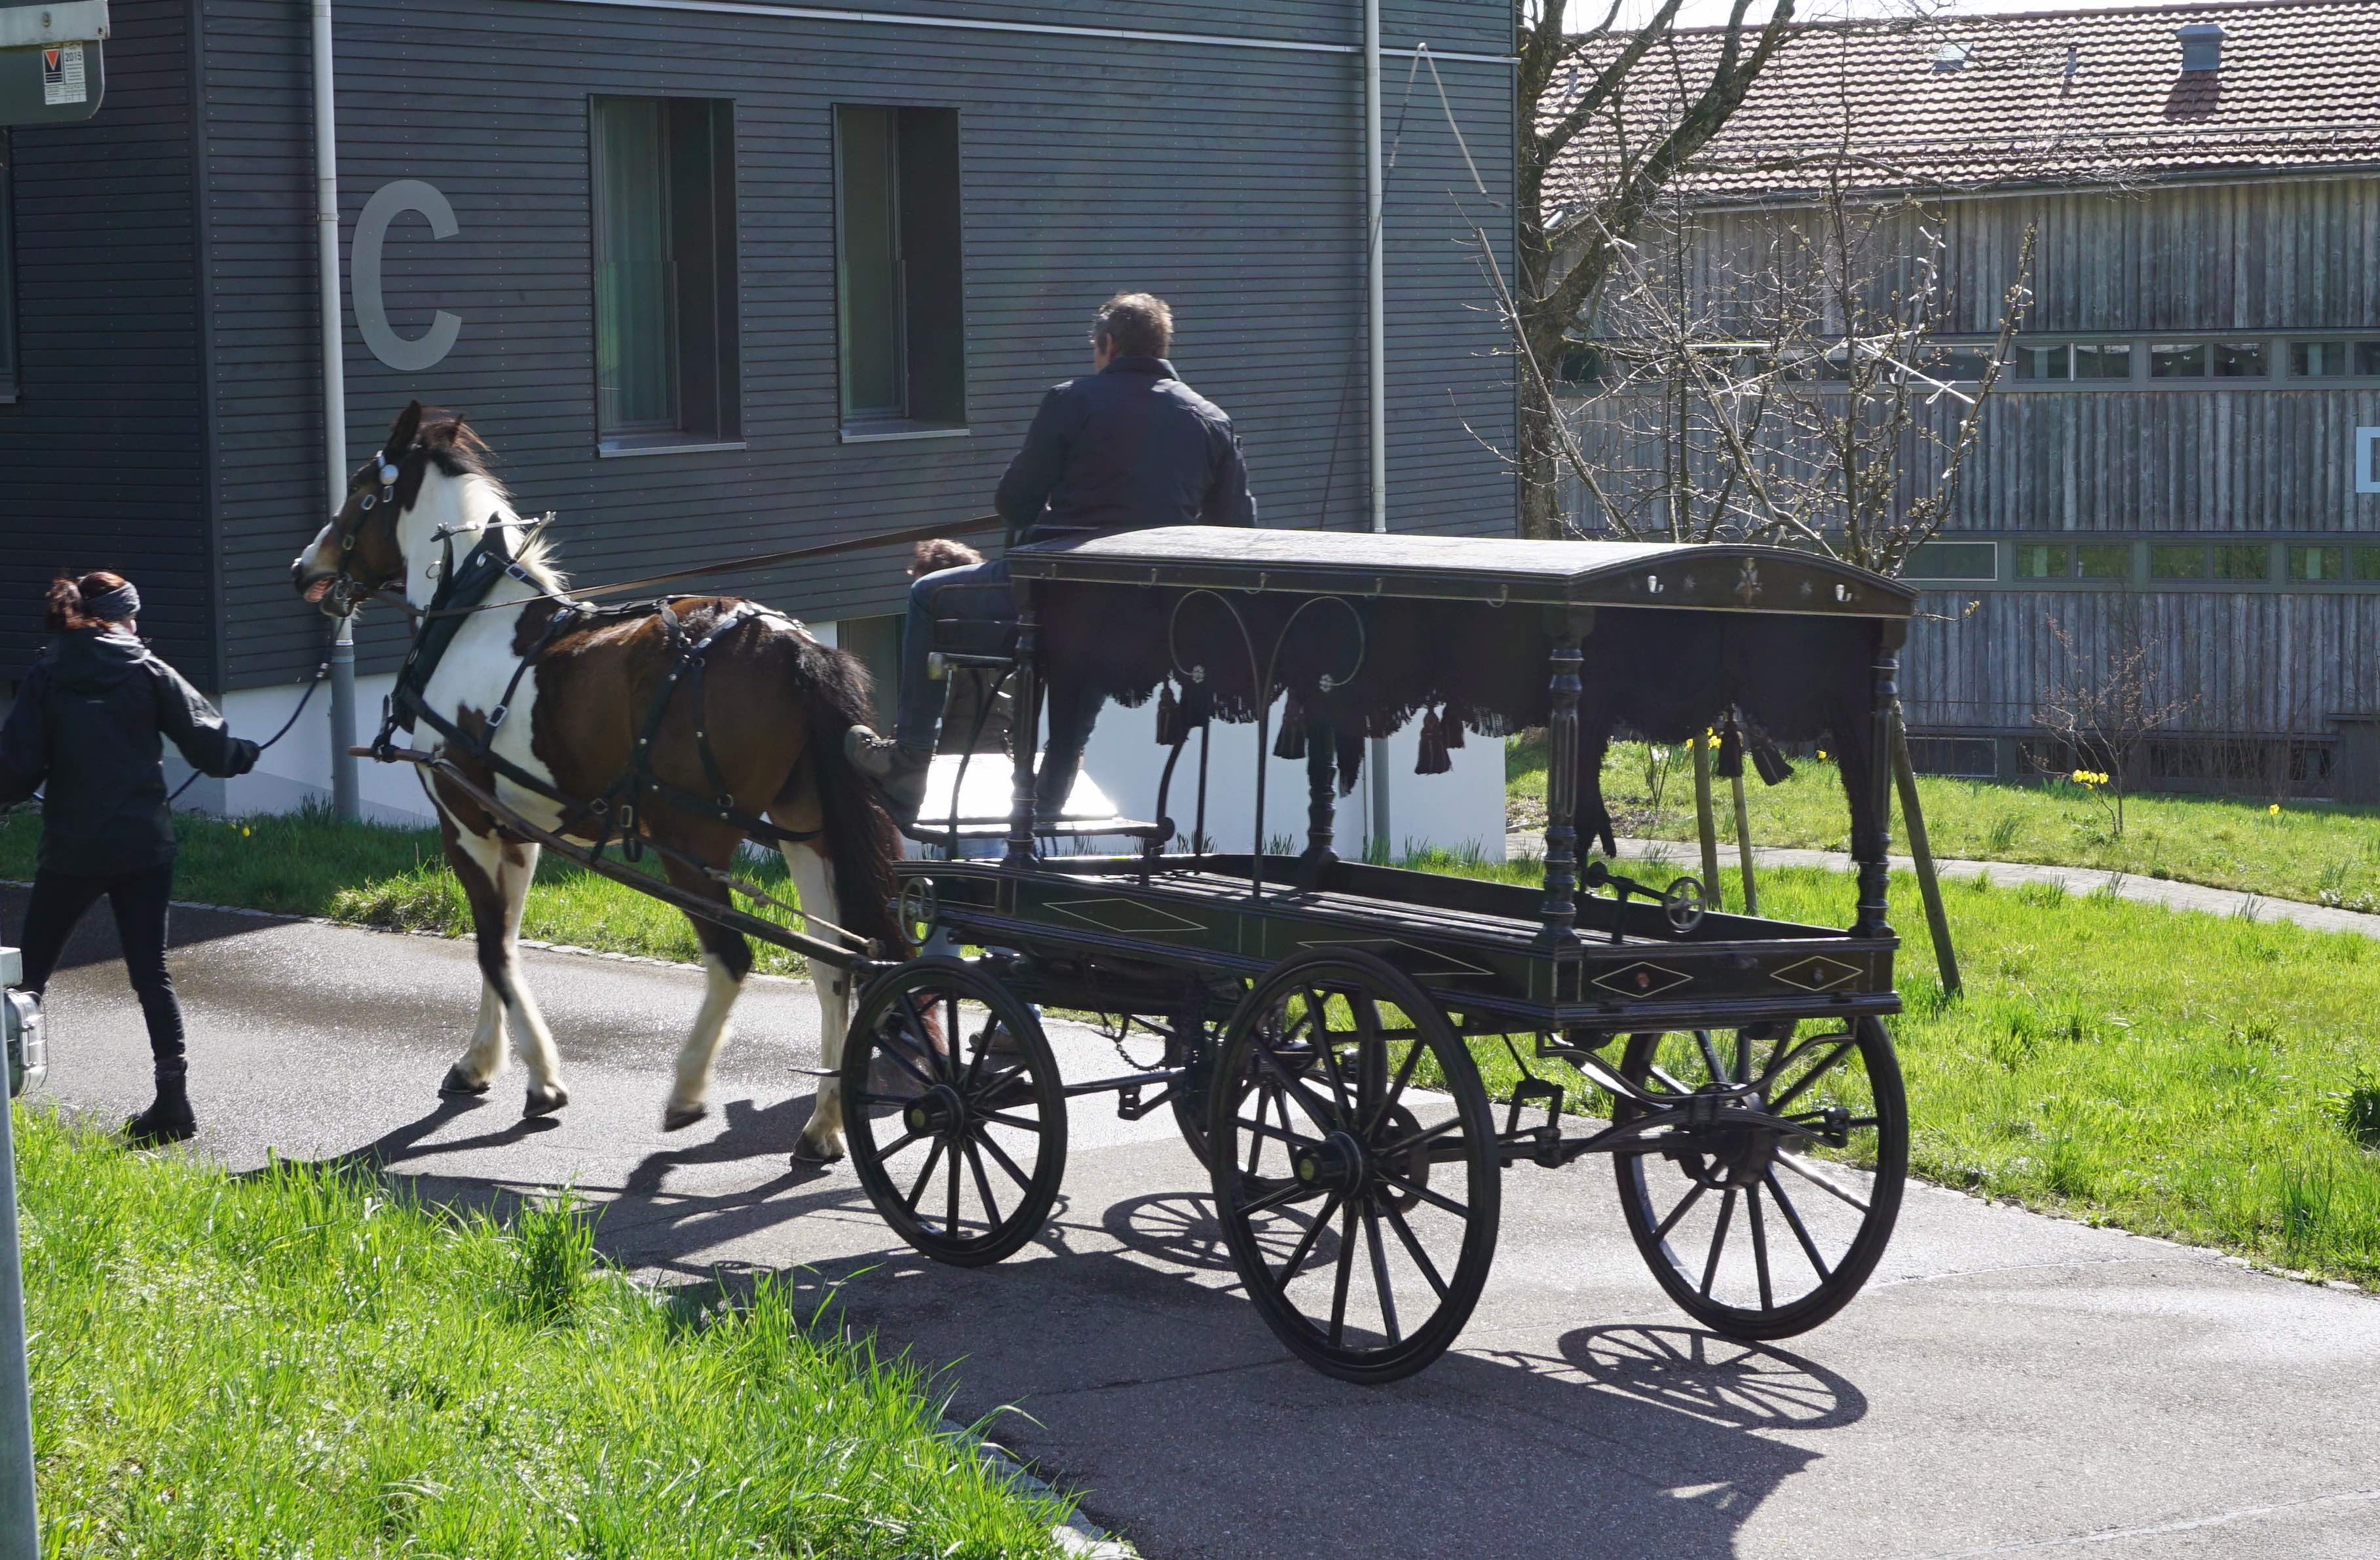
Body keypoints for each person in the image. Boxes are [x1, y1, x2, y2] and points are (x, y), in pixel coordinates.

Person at [846, 292, 1256, 824]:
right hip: (1150, 619)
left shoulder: (1073, 401)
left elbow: (1012, 502)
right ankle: (1054, 787)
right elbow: (1237, 531)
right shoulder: (1211, 419)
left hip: (1053, 598)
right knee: (1086, 645)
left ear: (1107, 344)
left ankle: (910, 758)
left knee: (931, 595)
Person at [0, 572, 261, 1145]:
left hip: (72, 849)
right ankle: (173, 1103)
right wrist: (243, 754)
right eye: (134, 615)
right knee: (151, 974)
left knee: (28, 974)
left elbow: (16, 770)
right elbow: (210, 749)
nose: (139, 625)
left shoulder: (48, 675)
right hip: (145, 847)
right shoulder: (147, 669)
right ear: (120, 617)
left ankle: (4, 1087)